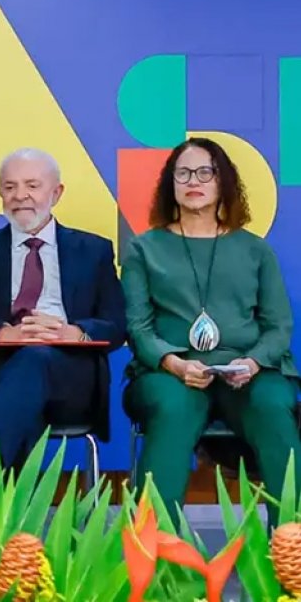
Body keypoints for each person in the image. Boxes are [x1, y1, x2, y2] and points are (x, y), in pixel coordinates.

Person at [122, 137, 301, 517]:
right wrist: (175, 364)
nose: (193, 180)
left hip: (248, 371)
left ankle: (293, 550)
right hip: (169, 372)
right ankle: (154, 557)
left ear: (224, 182)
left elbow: (277, 325)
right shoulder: (144, 249)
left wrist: (252, 363)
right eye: (183, 172)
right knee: (173, 408)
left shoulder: (255, 250)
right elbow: (138, 329)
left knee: (271, 405)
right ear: (170, 183)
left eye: (206, 171)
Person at [0, 148, 126, 468]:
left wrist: (75, 333)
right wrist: (2, 334)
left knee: (35, 358)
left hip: (71, 379)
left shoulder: (93, 250)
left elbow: (117, 325)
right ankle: (5, 501)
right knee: (27, 367)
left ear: (57, 192)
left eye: (32, 186)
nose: (20, 196)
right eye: (9, 187)